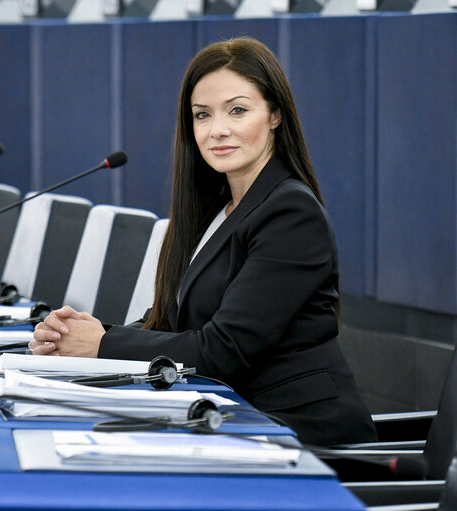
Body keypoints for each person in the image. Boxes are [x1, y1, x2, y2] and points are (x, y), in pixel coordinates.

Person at [29, 37, 376, 447]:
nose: (218, 130)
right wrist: (79, 335)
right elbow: (170, 323)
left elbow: (222, 350)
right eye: (202, 115)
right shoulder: (218, 208)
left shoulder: (290, 214)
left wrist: (102, 344)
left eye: (238, 110)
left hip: (299, 438)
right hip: (230, 420)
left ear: (275, 115)